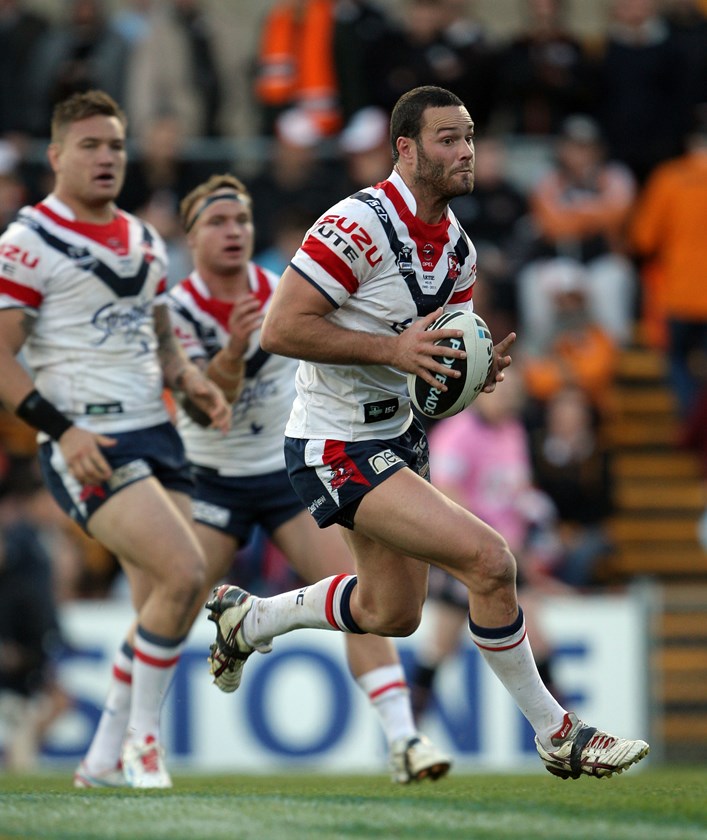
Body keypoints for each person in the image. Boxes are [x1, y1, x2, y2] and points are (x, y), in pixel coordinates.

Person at [207, 85, 650, 781]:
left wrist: (466, 378)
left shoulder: (460, 253)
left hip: (400, 438)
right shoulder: (358, 224)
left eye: (469, 136)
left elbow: (431, 375)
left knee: (391, 612)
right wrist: (393, 352)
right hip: (335, 443)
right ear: (406, 149)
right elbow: (282, 327)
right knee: (489, 561)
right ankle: (557, 731)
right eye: (448, 138)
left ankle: (249, 620)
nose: (465, 151)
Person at [164, 172, 450, 783]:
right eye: (217, 222)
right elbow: (201, 409)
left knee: (360, 592)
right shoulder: (175, 311)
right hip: (212, 477)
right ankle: (129, 737)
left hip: (282, 469)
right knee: (171, 599)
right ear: (189, 238)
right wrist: (232, 355)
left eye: (241, 219)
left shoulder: (287, 288)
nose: (234, 231)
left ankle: (403, 738)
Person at [0, 90, 230, 788]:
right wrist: (61, 429)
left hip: (159, 436)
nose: (106, 159)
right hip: (90, 442)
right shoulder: (26, 242)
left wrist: (191, 380)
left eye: (116, 147)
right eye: (91, 146)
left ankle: (101, 759)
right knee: (186, 572)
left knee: (170, 597)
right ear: (56, 156)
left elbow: (158, 340)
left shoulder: (144, 238)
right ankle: (141, 747)